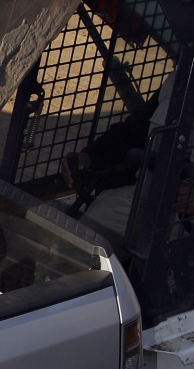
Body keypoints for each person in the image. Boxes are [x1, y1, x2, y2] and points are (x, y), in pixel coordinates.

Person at [63, 73, 175, 243]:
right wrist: (89, 156)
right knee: (82, 243)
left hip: (184, 217)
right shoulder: (180, 80)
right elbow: (133, 132)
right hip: (146, 197)